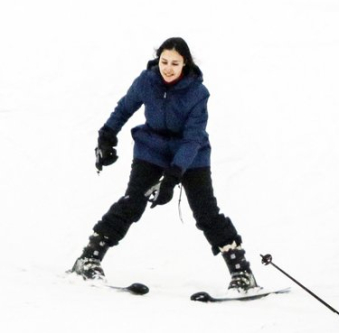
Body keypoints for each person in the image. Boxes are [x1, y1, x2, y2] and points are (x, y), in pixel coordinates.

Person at [70, 37, 258, 293]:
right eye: (164, 61)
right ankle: (89, 257)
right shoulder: (147, 81)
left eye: (175, 63)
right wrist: (106, 136)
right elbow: (125, 108)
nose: (168, 68)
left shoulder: (197, 93)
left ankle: (242, 272)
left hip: (191, 156)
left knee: (206, 213)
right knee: (133, 201)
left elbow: (192, 139)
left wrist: (172, 177)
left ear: (185, 64)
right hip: (152, 149)